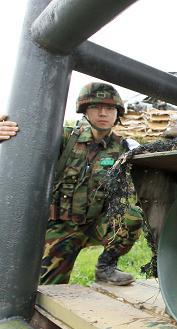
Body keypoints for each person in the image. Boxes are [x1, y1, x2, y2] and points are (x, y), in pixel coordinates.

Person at [0, 82, 143, 286]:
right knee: (45, 291)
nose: (103, 113)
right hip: (61, 226)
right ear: (85, 110)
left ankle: (106, 266)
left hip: (96, 225)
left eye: (110, 108)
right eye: (96, 107)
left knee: (131, 216)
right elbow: (23, 148)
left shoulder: (124, 147)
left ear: (117, 113)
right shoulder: (65, 137)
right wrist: (6, 133)